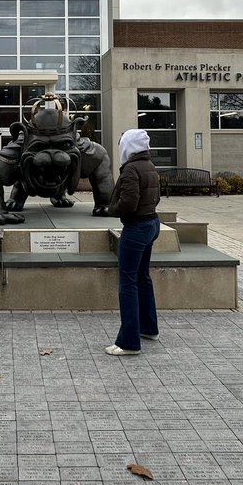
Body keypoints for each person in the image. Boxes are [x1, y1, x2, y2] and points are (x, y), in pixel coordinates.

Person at [105, 128, 161, 356]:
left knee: (127, 283)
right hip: (152, 224)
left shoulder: (130, 169)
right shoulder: (149, 166)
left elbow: (128, 202)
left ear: (128, 146)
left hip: (136, 228)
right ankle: (149, 328)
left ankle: (128, 342)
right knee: (142, 277)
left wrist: (111, 210)